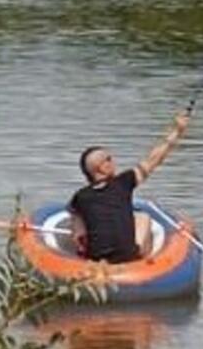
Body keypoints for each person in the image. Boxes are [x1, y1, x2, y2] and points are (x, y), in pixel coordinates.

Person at [69, 112, 191, 263]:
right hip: (126, 257)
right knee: (143, 217)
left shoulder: (79, 197)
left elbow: (78, 236)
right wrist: (177, 131)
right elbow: (154, 159)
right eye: (109, 159)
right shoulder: (124, 182)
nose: (113, 161)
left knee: (81, 219)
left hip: (97, 260)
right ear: (102, 168)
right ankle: (143, 262)